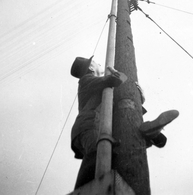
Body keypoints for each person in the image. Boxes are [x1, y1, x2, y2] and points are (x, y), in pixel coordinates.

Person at [70, 56, 179, 189]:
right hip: (89, 124)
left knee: (113, 151)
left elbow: (119, 100)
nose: (99, 63)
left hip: (98, 124)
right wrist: (114, 72)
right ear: (91, 68)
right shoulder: (86, 80)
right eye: (95, 62)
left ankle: (150, 132)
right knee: (97, 152)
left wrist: (139, 99)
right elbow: (116, 80)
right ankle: (82, 190)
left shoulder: (102, 89)